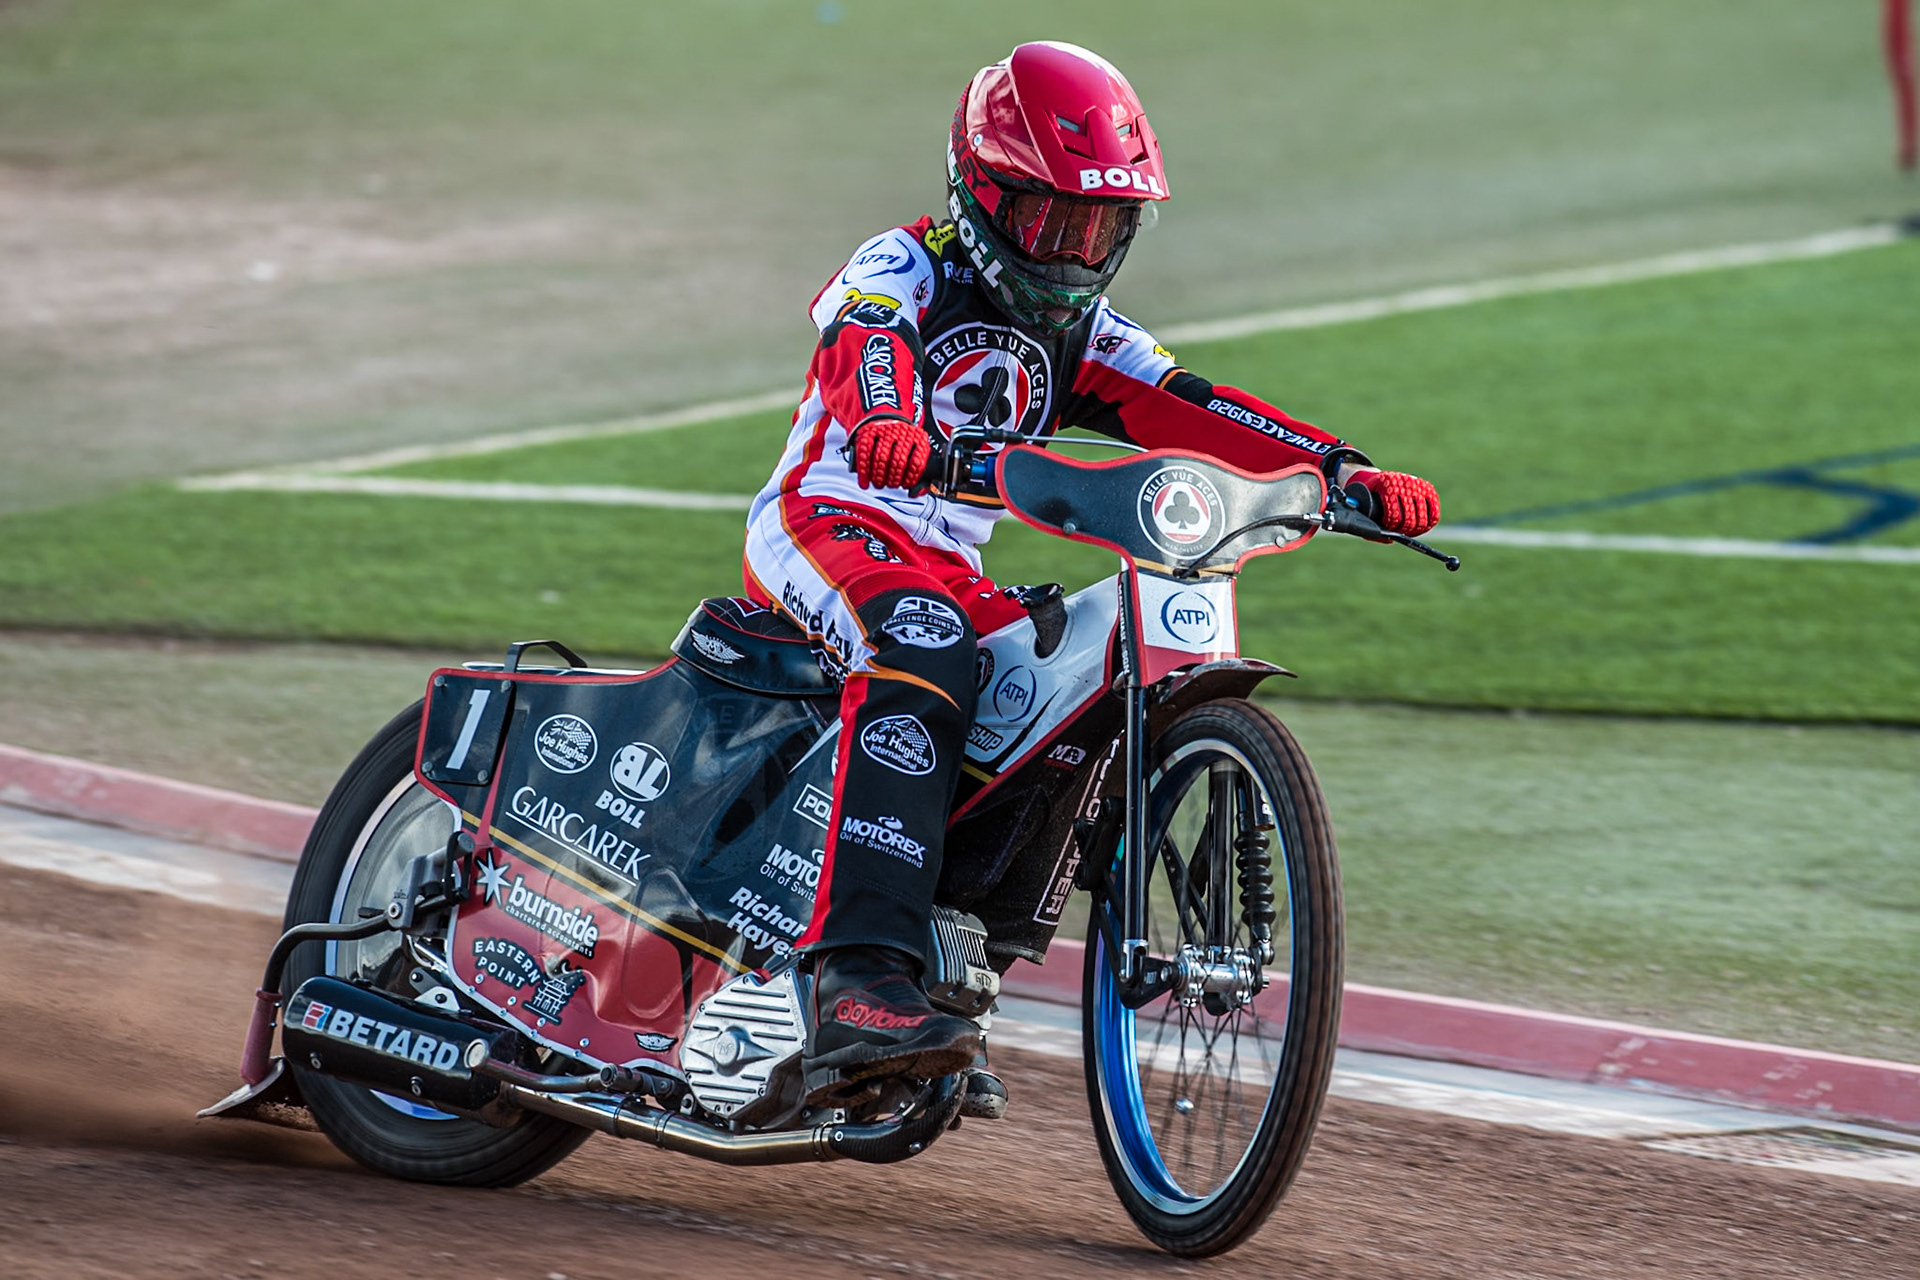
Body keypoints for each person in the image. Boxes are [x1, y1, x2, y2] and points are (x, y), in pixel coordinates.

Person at [741, 41, 1440, 1105]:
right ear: (983, 194)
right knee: (924, 650)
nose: (1075, 251)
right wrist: (883, 421)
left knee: (1038, 682)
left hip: (943, 562)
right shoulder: (903, 265)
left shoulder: (1083, 335)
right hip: (829, 520)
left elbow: (1191, 406)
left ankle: (944, 943)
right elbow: (864, 344)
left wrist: (1339, 469)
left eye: (1101, 225)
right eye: (1052, 220)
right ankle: (857, 980)